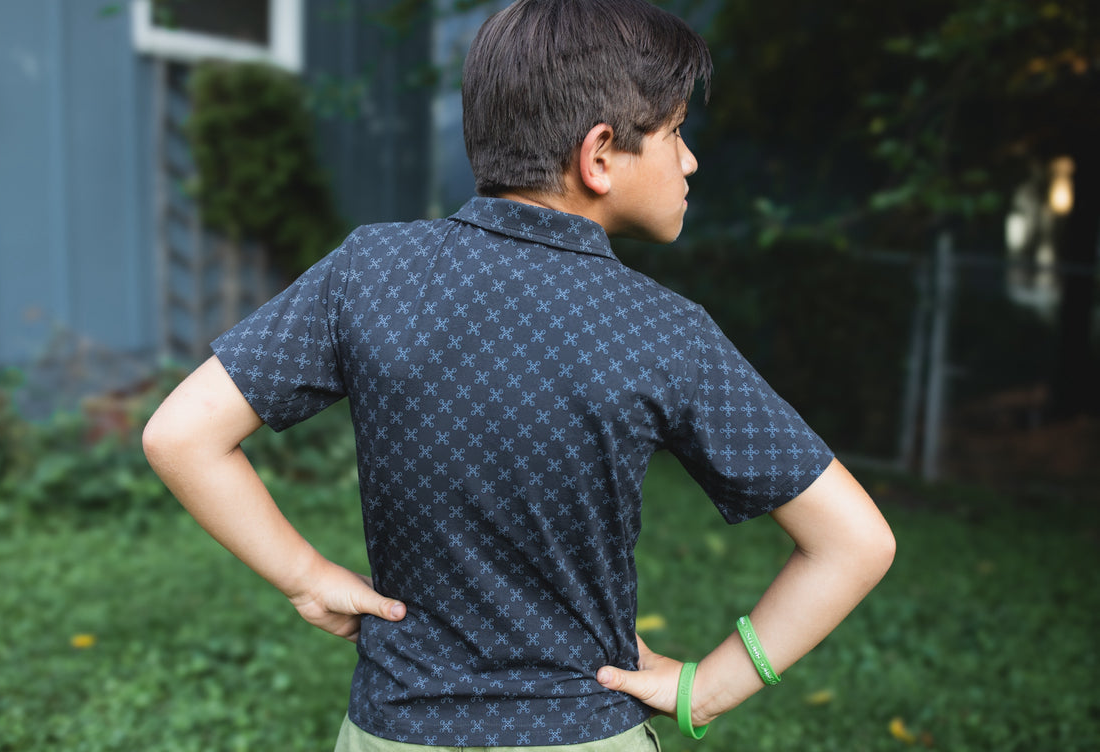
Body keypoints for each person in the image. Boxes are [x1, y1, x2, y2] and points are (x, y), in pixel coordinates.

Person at [142, 0, 896, 749]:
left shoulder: (370, 272)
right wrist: (710, 687)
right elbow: (854, 542)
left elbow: (181, 435)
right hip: (583, 731)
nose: (690, 160)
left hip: (394, 729)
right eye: (674, 133)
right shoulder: (666, 331)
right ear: (599, 155)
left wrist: (306, 576)